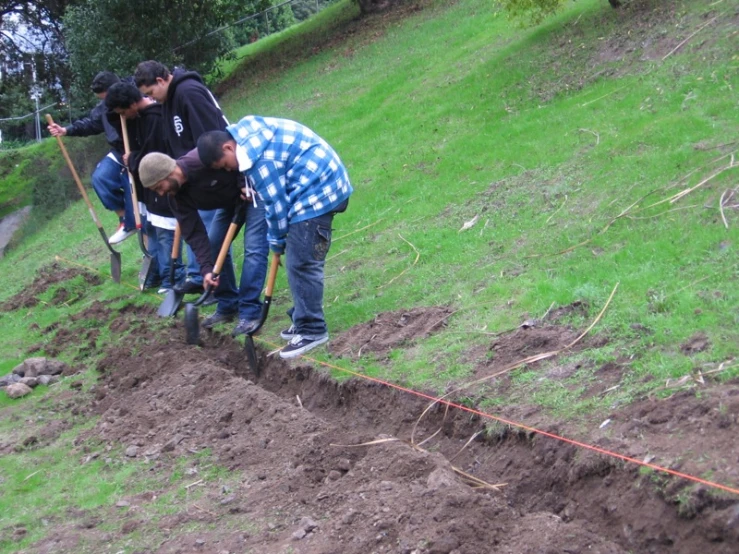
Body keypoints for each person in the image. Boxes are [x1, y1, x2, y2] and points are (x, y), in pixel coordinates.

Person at [196, 116, 352, 359]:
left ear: (228, 147)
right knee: (296, 258)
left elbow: (276, 206)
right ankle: (302, 319)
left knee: (302, 262)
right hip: (313, 182)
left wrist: (276, 242)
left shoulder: (261, 160)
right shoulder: (246, 134)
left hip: (319, 189)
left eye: (226, 165)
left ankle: (312, 330)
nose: (230, 170)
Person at [138, 149, 269, 338]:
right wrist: (207, 269)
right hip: (229, 202)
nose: (162, 192)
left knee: (254, 250)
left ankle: (250, 313)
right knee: (214, 246)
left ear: (168, 172)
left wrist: (242, 183)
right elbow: (194, 234)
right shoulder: (176, 197)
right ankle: (228, 304)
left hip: (253, 193)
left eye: (159, 186)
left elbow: (235, 150)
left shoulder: (200, 160)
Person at [133, 60, 225, 299]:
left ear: (161, 80)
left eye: (151, 93)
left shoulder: (189, 93)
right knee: (201, 235)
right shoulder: (167, 101)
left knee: (212, 237)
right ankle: (212, 287)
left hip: (210, 176)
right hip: (187, 176)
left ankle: (215, 290)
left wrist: (199, 173)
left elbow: (210, 137)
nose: (151, 99)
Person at [104, 81, 184, 292]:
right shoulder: (132, 119)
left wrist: (132, 160)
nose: (122, 115)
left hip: (161, 183)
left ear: (131, 104)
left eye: (122, 110)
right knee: (151, 228)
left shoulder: (155, 118)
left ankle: (172, 278)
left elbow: (154, 154)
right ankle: (156, 273)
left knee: (166, 231)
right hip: (145, 188)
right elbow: (120, 130)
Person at [47, 71, 135, 244]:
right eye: (102, 99)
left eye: (106, 97)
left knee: (133, 191)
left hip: (137, 150)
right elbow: (92, 123)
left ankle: (136, 225)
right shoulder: (104, 107)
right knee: (100, 178)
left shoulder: (132, 96)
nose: (106, 102)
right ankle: (125, 220)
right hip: (118, 151)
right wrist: (66, 130)